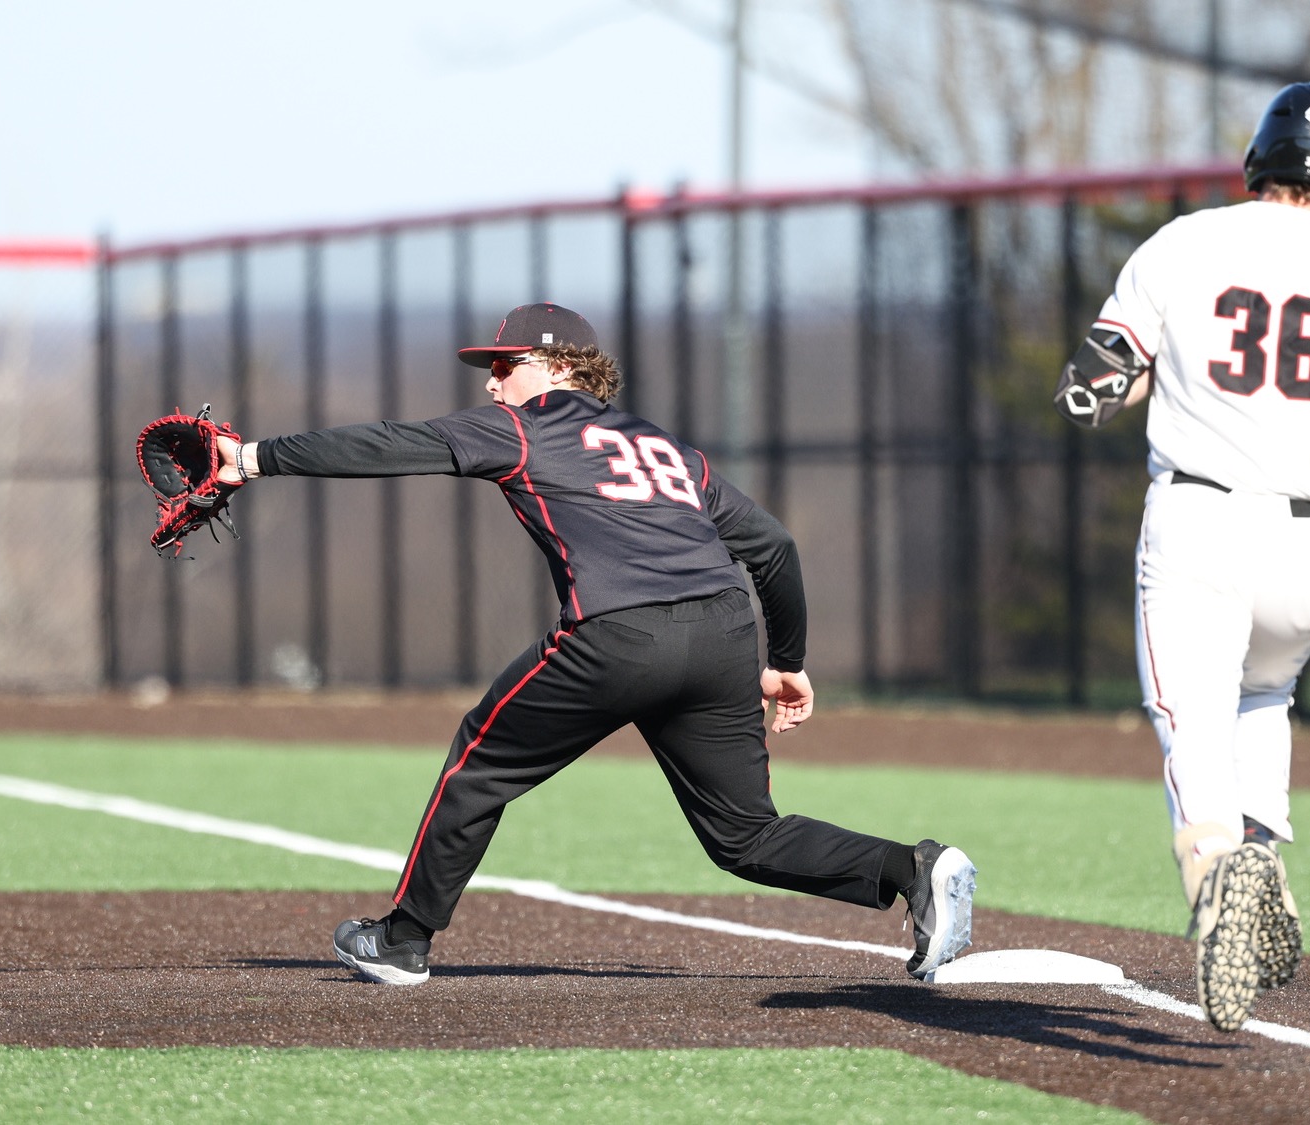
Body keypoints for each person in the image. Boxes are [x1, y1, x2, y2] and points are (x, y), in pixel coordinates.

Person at [216, 302, 977, 985]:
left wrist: (252, 459)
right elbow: (772, 545)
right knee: (745, 834)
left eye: (503, 366)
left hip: (619, 633)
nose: (492, 383)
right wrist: (787, 661)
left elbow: (393, 443)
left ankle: (403, 940)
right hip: (721, 633)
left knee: (480, 759)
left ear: (555, 368)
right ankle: (912, 868)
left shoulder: (525, 426)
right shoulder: (671, 450)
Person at [1054, 83, 1310, 1031]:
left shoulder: (1183, 243)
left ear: (1258, 159)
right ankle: (1265, 850)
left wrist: (1144, 379)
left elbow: (1090, 390)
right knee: (1261, 694)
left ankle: (1216, 868)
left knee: (1187, 713)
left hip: (1200, 519)